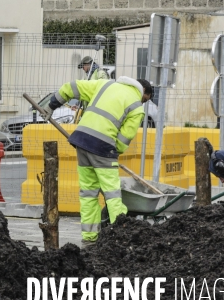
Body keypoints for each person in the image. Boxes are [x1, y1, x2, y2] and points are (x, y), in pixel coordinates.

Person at [42, 77, 152, 247]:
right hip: (103, 147)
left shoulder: (105, 84)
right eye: (145, 100)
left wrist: (51, 106)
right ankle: (121, 236)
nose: (143, 103)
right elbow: (124, 139)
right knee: (112, 194)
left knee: (88, 193)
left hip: (82, 141)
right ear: (143, 93)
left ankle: (89, 237)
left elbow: (71, 87)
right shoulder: (136, 107)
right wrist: (113, 152)